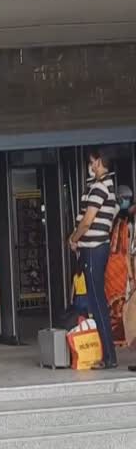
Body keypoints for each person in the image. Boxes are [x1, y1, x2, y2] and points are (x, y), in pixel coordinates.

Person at [68, 149, 118, 369]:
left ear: (98, 162)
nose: (90, 167)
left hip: (93, 249)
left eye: (91, 163)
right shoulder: (107, 186)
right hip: (97, 249)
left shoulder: (100, 187)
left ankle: (109, 357)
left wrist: (73, 238)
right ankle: (108, 355)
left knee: (97, 304)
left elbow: (87, 221)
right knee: (97, 303)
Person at [105, 185, 134, 343]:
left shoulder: (123, 219)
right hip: (116, 265)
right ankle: (118, 335)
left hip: (118, 265)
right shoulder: (115, 216)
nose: (127, 202)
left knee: (120, 303)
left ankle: (120, 335)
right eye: (125, 198)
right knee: (118, 304)